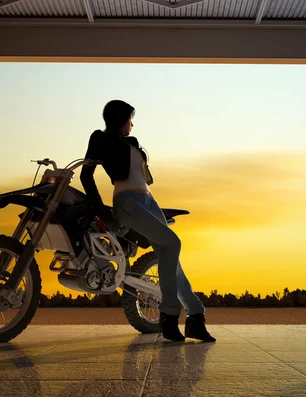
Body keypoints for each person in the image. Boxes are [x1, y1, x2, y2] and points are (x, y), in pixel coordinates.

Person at [80, 99, 216, 343]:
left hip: (149, 202)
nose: (133, 124)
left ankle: (195, 317)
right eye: (130, 118)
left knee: (171, 260)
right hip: (127, 202)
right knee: (173, 244)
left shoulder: (131, 143)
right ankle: (170, 314)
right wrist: (98, 207)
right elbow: (86, 174)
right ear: (120, 118)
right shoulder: (100, 138)